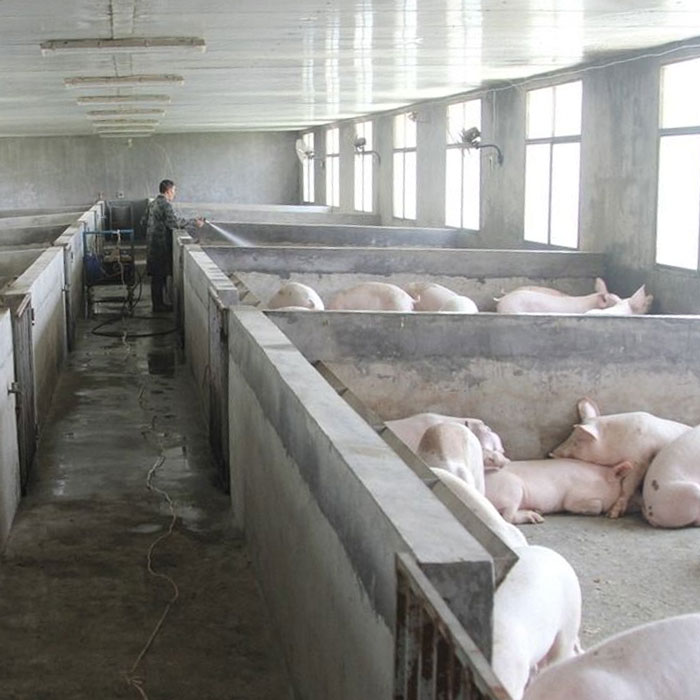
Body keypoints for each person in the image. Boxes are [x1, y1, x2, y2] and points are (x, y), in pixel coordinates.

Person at [145, 179, 204, 312]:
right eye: (174, 190)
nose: (175, 193)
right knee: (159, 276)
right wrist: (193, 222)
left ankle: (158, 304)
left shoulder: (152, 204)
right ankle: (158, 306)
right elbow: (174, 223)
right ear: (168, 191)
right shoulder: (166, 205)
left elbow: (143, 221)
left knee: (156, 276)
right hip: (160, 246)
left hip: (151, 244)